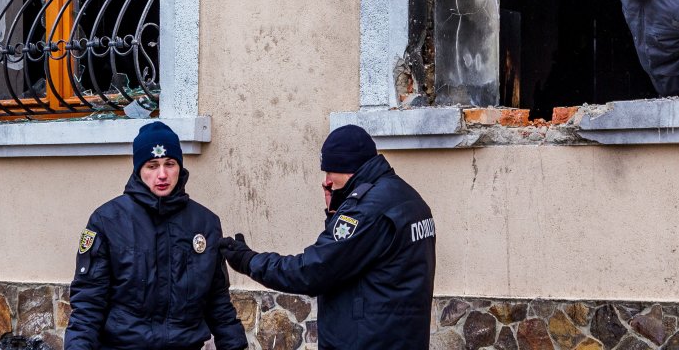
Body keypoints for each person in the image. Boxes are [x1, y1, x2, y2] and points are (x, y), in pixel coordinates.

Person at [219, 125, 436, 350]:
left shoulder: (366, 209)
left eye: (329, 171)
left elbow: (313, 270)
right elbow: (352, 256)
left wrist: (249, 261)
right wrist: (337, 210)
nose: (327, 180)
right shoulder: (407, 197)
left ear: (346, 167)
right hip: (401, 336)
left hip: (366, 340)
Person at [65, 122, 247, 350]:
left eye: (169, 164)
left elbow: (217, 301)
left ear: (179, 167)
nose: (162, 174)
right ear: (139, 169)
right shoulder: (107, 221)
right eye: (152, 165)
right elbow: (89, 304)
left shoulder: (205, 223)